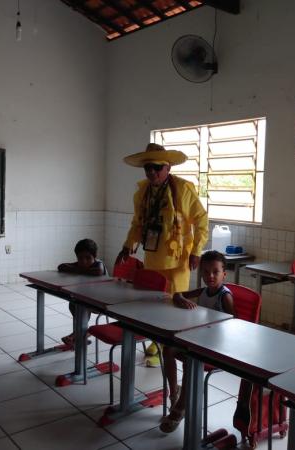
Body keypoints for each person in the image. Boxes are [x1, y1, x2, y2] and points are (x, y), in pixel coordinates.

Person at [117, 143, 209, 367]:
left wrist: (197, 251)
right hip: (153, 255)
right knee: (153, 302)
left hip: (178, 259)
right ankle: (155, 343)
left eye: (156, 168)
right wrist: (128, 246)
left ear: (167, 167)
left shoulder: (184, 189)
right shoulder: (142, 192)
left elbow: (202, 222)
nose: (151, 173)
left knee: (176, 304)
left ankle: (169, 348)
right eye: (147, 168)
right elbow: (138, 223)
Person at [159, 250, 234, 433]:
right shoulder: (203, 291)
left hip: (216, 345)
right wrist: (182, 300)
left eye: (215, 272)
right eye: (206, 272)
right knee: (168, 350)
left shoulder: (225, 296)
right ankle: (174, 392)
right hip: (197, 338)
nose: (210, 276)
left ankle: (181, 408)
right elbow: (178, 294)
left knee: (190, 361)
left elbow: (236, 325)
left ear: (224, 274)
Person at [57, 238, 107, 346]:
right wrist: (77, 267)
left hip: (102, 302)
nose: (84, 262)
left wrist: (77, 269)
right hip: (86, 299)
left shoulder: (98, 265)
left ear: (95, 256)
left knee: (82, 306)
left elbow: (99, 271)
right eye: (80, 258)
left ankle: (78, 334)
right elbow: (61, 266)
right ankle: (81, 333)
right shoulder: (81, 265)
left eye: (88, 258)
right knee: (74, 304)